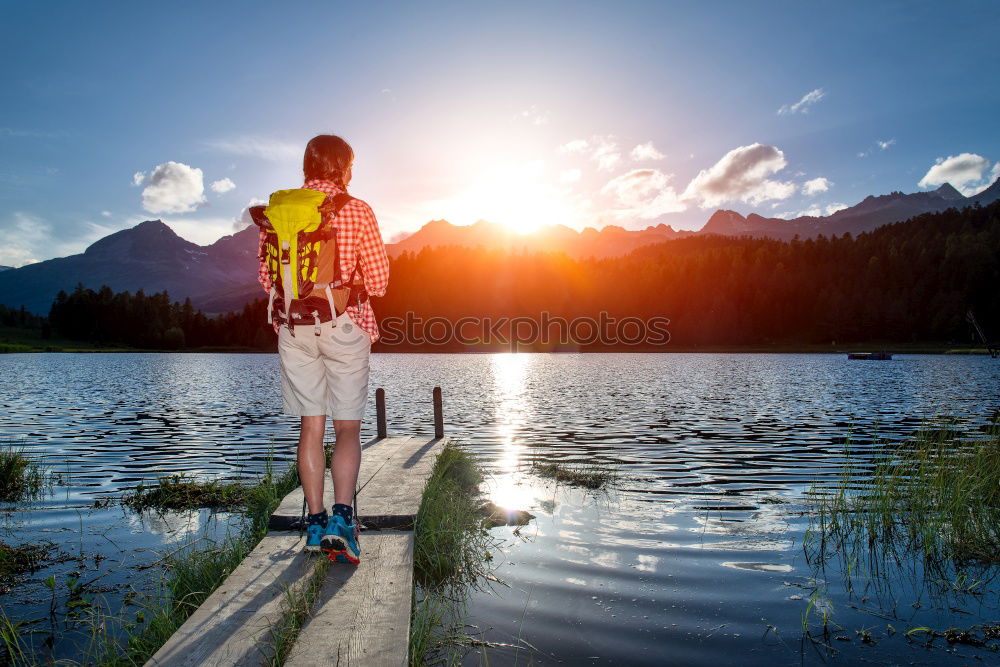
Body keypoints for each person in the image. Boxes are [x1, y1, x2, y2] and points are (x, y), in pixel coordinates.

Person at [256, 134, 390, 563]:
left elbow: (265, 279)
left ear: (307, 166)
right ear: (345, 167)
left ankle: (314, 525)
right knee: (347, 428)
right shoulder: (356, 209)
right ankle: (343, 521)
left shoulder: (278, 212)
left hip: (293, 328)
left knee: (310, 426)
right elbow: (381, 281)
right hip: (343, 325)